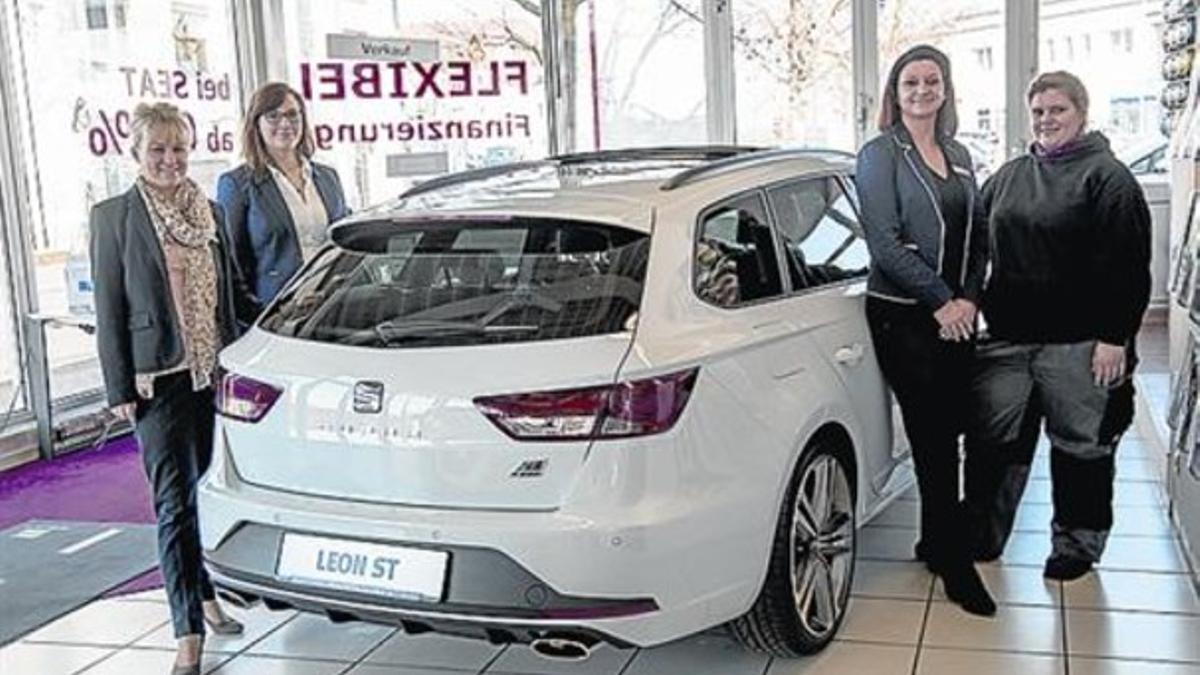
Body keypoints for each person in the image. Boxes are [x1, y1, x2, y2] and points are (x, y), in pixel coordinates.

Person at [90, 102, 257, 675]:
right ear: (136, 153)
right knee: (172, 505)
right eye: (157, 149)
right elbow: (109, 308)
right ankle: (187, 629)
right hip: (155, 379)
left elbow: (230, 294)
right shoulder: (114, 217)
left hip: (210, 374)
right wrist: (117, 385)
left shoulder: (208, 212)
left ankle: (206, 595)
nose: (169, 160)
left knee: (203, 494)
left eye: (178, 148)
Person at [965, 71, 1150, 581]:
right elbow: (977, 248)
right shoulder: (1007, 176)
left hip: (1082, 343)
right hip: (1006, 339)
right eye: (1040, 111)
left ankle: (1076, 545)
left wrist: (1116, 337)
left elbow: (1131, 265)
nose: (1047, 120)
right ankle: (982, 534)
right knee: (992, 444)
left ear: (1082, 113)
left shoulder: (1109, 178)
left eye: (1058, 110)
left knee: (1081, 447)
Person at [856, 44, 994, 615]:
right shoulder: (879, 154)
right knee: (935, 436)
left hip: (955, 312)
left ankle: (937, 540)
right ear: (896, 92)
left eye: (931, 81)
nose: (921, 90)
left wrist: (967, 298)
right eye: (910, 82)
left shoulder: (959, 152)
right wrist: (940, 300)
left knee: (956, 429)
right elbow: (884, 241)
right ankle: (953, 560)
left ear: (945, 89)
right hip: (903, 314)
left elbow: (979, 235)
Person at [217, 81, 349, 306]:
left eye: (292, 115)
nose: (285, 123)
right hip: (276, 313)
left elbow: (343, 242)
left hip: (332, 304)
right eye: (273, 116)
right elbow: (233, 266)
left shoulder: (328, 178)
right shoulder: (237, 184)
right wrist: (261, 313)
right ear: (255, 123)